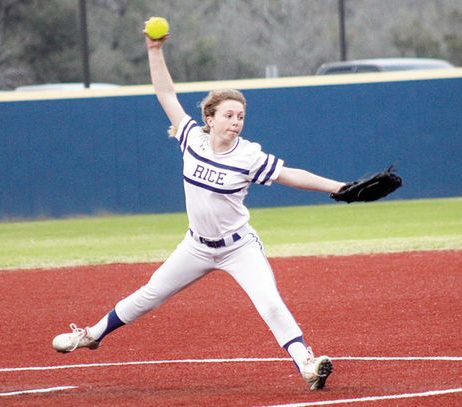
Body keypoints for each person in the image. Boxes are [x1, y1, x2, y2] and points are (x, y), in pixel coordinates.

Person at [52, 27, 346, 391]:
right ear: (210, 118)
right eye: (228, 115)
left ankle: (307, 364)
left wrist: (339, 187)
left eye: (240, 116)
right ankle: (92, 334)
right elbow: (165, 92)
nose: (236, 122)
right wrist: (154, 49)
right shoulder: (191, 138)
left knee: (269, 302)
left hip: (238, 247)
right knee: (149, 295)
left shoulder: (248, 155)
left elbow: (290, 174)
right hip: (196, 246)